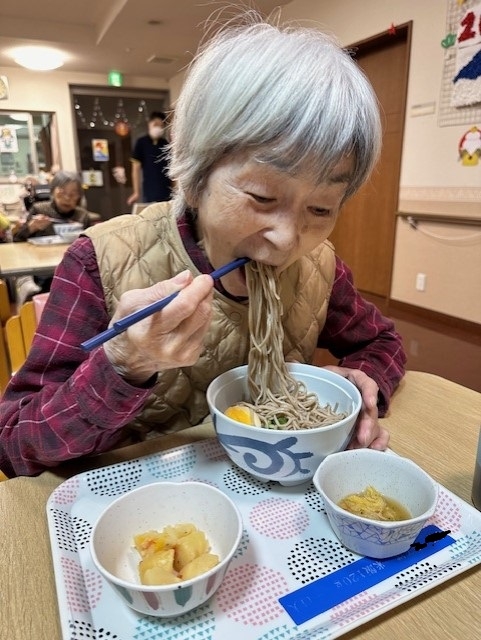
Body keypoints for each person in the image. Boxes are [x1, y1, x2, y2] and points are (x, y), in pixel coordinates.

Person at [0, 13, 406, 478]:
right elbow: (13, 443)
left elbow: (382, 341)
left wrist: (362, 382)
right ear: (194, 173)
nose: (287, 239)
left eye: (321, 208)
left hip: (275, 491)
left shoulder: (318, 265)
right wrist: (124, 366)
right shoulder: (102, 260)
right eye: (262, 197)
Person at [12, 171, 95, 301]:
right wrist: (31, 227)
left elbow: (91, 246)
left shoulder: (82, 215)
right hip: (44, 270)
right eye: (62, 192)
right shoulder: (39, 209)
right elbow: (17, 240)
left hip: (74, 268)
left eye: (73, 194)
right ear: (53, 191)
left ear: (79, 197)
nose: (67, 198)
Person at [127, 111, 173, 206]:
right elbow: (135, 169)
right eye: (155, 124)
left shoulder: (166, 144)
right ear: (149, 124)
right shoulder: (141, 143)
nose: (158, 128)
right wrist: (136, 192)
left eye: (161, 126)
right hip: (150, 190)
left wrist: (175, 190)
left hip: (167, 190)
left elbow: (172, 169)